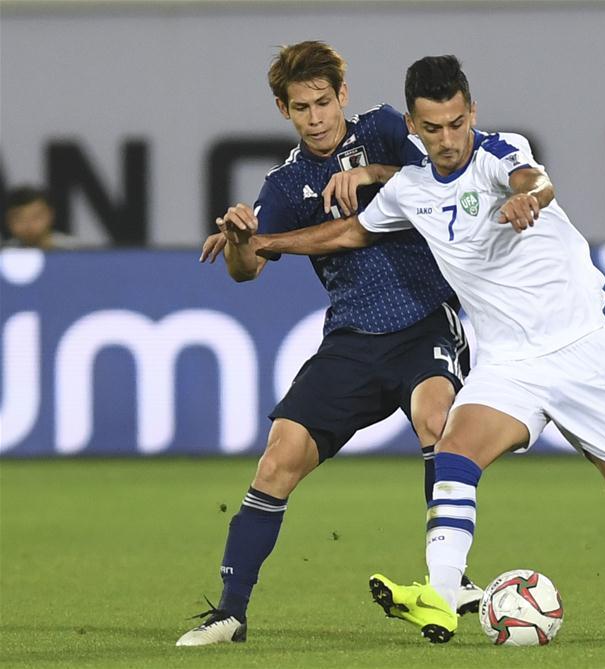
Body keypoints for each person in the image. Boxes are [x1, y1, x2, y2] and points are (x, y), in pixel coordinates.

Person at [238, 55, 605, 644]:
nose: (448, 140)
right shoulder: (411, 189)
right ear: (412, 127)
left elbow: (536, 181)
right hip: (508, 364)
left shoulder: (502, 154)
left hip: (580, 354)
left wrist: (531, 198)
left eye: (456, 123)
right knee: (453, 452)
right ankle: (443, 595)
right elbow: (350, 233)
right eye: (433, 128)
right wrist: (262, 239)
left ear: (471, 111)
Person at [176, 42, 482, 647]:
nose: (315, 117)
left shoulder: (387, 130)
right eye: (300, 108)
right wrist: (242, 238)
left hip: (425, 320)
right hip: (352, 338)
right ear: (283, 111)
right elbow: (246, 270)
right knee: (277, 458)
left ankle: (450, 582)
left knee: (435, 419)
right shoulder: (287, 183)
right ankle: (231, 613)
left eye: (323, 102)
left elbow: (447, 174)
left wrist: (371, 174)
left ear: (342, 95)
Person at [2, 186, 79, 249]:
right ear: (8, 221)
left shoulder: (76, 250)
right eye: (19, 219)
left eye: (36, 217)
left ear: (50, 215)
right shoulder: (4, 254)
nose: (29, 225)